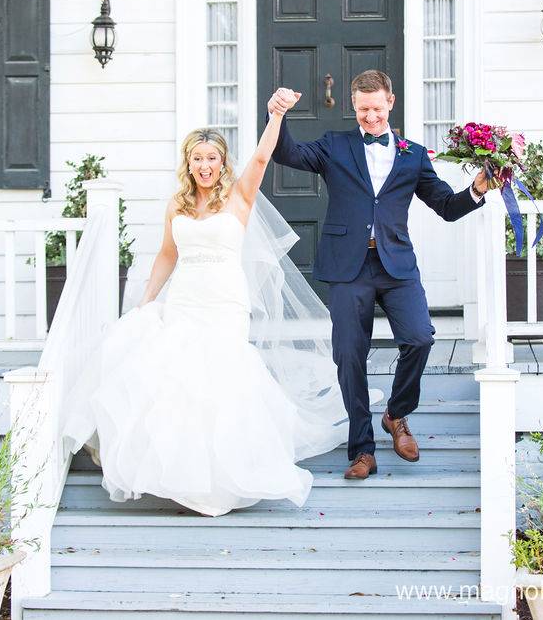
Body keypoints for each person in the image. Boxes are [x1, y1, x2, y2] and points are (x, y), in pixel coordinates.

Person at [61, 89, 373, 516]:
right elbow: (167, 255)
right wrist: (147, 301)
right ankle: (185, 476)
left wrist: (276, 116)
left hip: (225, 299)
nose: (205, 166)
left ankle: (223, 476)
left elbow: (263, 158)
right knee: (180, 380)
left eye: (212, 158)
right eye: (197, 159)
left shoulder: (239, 196)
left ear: (222, 163)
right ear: (188, 164)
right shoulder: (178, 204)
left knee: (221, 380)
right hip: (185, 298)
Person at [266, 69, 489, 480]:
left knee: (420, 338)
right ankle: (362, 451)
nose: (370, 116)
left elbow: (445, 205)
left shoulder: (413, 154)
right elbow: (288, 155)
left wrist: (476, 189)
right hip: (349, 266)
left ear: (391, 102)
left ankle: (396, 413)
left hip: (396, 265)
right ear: (353, 105)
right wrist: (278, 115)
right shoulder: (335, 145)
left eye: (377, 108)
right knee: (349, 356)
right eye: (363, 109)